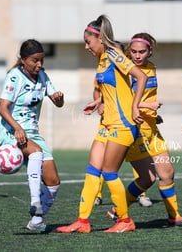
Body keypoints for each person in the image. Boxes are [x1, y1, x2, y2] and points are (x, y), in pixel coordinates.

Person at [56, 14, 148, 233]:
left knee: (109, 172)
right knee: (92, 170)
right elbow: (115, 90)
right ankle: (83, 221)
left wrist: (135, 107)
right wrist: (98, 101)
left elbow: (140, 77)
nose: (87, 46)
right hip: (107, 124)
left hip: (123, 125)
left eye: (88, 42)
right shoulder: (101, 61)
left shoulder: (114, 54)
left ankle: (125, 221)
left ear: (99, 39)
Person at [107, 32, 182, 226]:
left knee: (167, 173)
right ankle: (117, 210)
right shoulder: (125, 71)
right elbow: (124, 102)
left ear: (150, 51)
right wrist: (147, 106)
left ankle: (174, 216)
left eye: (142, 52)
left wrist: (153, 114)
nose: (137, 56)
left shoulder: (152, 68)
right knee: (147, 178)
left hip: (152, 130)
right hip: (134, 131)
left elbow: (146, 96)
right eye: (134, 51)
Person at [0, 39, 63, 232]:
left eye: (41, 60)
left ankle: (36, 222)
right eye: (35, 60)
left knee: (53, 183)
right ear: (24, 60)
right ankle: (35, 202)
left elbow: (57, 103)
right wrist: (17, 128)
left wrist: (60, 99)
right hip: (11, 131)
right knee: (35, 153)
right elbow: (2, 108)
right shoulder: (14, 77)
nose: (39, 64)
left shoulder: (42, 76)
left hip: (33, 133)